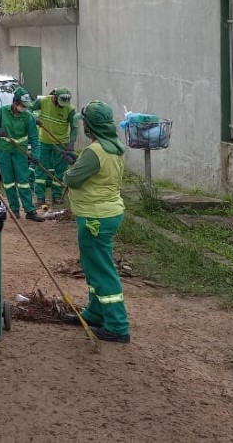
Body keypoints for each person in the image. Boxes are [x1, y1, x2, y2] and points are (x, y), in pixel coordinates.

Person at [62, 100, 130, 344]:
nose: (84, 129)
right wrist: (77, 161)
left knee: (102, 270)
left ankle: (117, 326)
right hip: (107, 213)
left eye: (85, 125)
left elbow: (73, 179)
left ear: (90, 127)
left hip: (95, 217)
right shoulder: (113, 146)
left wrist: (71, 169)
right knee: (93, 266)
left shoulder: (95, 151)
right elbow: (95, 170)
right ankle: (95, 313)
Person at [0, 87, 43, 222]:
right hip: (3, 150)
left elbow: (35, 139)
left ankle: (30, 211)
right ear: (15, 103)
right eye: (23, 106)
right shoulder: (2, 111)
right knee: (8, 182)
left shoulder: (29, 117)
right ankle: (14, 209)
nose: (24, 108)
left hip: (20, 152)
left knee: (23, 181)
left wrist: (36, 156)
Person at [30, 87, 78, 206]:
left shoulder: (70, 109)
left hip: (61, 143)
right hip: (44, 142)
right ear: (54, 97)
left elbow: (74, 127)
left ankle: (56, 196)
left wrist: (71, 144)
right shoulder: (43, 101)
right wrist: (34, 117)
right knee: (41, 168)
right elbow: (28, 109)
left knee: (60, 170)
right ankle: (40, 197)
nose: (63, 106)